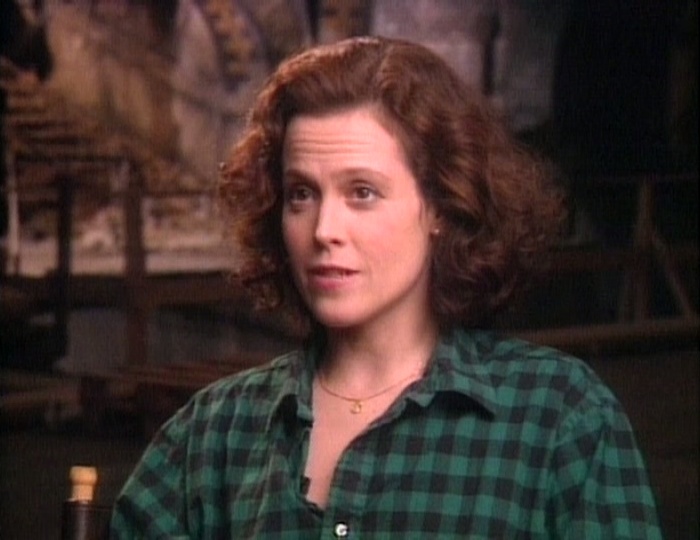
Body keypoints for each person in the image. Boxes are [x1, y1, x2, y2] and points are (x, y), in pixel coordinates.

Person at [111, 36, 661, 538]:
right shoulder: (213, 433)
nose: (324, 230)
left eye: (362, 193)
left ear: (442, 205)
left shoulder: (558, 418)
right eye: (302, 194)